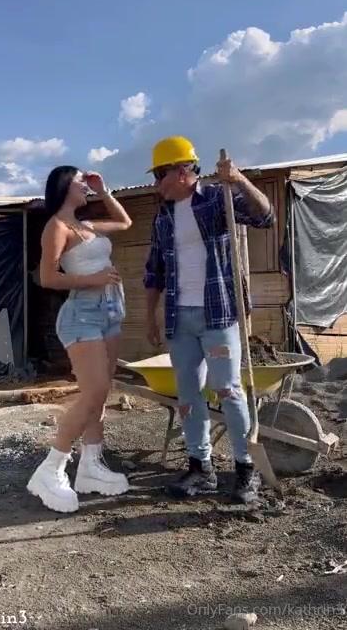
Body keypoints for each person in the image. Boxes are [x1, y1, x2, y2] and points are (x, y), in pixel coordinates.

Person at [143, 137, 275, 503]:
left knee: (229, 391)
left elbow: (265, 216)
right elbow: (154, 271)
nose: (156, 184)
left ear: (182, 171)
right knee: (188, 396)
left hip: (217, 314)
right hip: (179, 319)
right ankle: (201, 468)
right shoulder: (163, 216)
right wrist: (151, 316)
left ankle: (246, 469)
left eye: (159, 175)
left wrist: (239, 179)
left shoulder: (217, 200)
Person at [27, 166, 132, 513]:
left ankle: (90, 466)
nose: (85, 187)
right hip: (81, 314)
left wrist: (103, 191)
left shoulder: (85, 225)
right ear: (63, 187)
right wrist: (93, 279)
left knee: (102, 391)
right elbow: (46, 277)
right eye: (80, 183)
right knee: (94, 391)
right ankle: (51, 468)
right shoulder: (56, 227)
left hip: (110, 312)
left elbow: (125, 222)